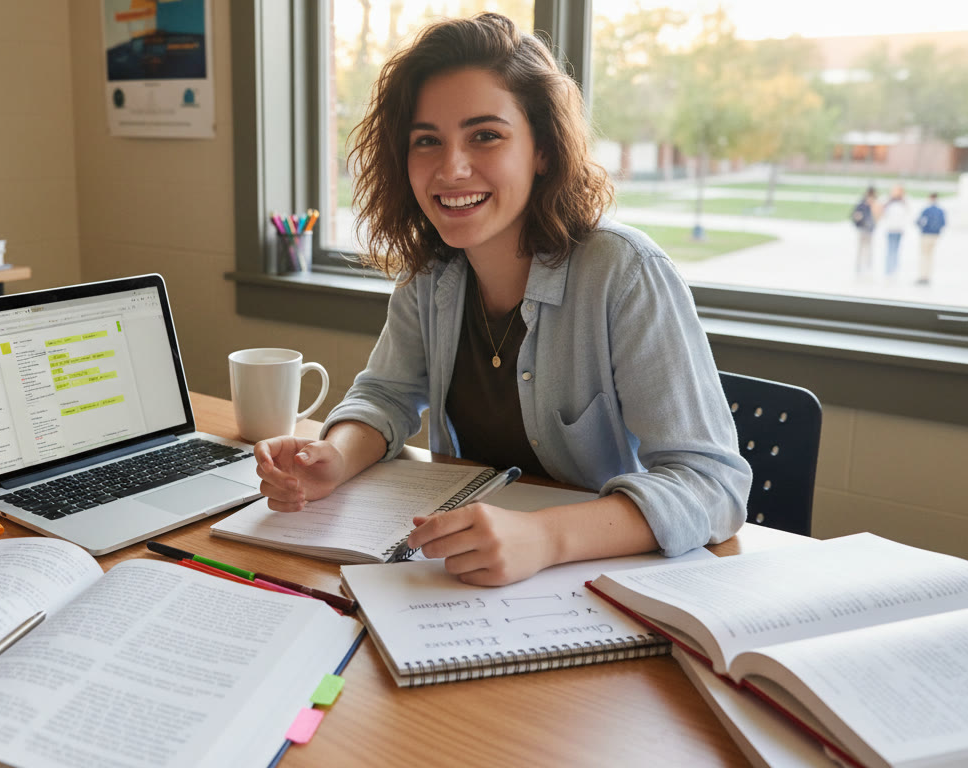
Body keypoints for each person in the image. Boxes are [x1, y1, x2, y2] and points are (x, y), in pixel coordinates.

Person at [253, 13, 750, 587]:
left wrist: (544, 537)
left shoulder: (625, 273)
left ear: (542, 148)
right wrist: (334, 459)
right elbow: (385, 396)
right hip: (466, 575)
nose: (451, 168)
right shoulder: (432, 273)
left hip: (601, 579)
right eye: (426, 141)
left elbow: (711, 485)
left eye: (485, 135)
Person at [915, 192, 947, 285]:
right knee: (930, 256)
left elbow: (919, 221)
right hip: (935, 236)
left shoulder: (927, 210)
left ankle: (923, 275)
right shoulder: (940, 211)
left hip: (926, 234)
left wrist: (922, 229)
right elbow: (943, 223)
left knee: (924, 256)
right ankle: (928, 276)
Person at [882, 184, 908, 277]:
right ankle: (889, 269)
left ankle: (893, 269)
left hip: (897, 229)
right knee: (891, 249)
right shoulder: (890, 203)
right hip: (891, 229)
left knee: (895, 250)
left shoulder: (902, 203)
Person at [851, 187, 879, 274]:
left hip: (870, 229)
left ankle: (867, 265)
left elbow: (877, 216)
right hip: (863, 228)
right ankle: (859, 265)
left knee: (868, 248)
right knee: (861, 248)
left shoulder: (874, 204)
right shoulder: (862, 204)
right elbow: (855, 215)